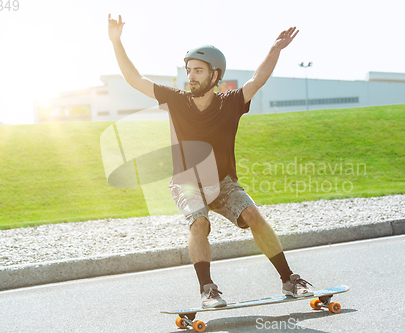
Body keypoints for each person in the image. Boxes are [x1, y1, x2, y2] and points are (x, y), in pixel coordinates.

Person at [108, 14, 313, 309]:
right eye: (189, 70)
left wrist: (275, 50)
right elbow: (134, 79)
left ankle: (289, 279)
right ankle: (208, 289)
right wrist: (116, 41)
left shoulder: (231, 103)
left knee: (254, 215)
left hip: (223, 182)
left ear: (215, 75)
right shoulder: (176, 100)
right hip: (186, 182)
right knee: (199, 222)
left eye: (198, 71)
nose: (191, 76)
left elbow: (257, 80)